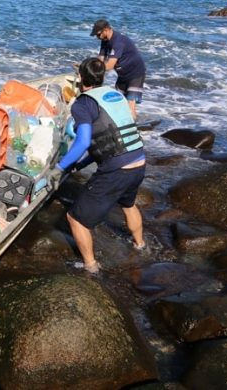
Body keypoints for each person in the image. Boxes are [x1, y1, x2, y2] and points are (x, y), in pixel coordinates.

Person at [47, 57, 146, 274]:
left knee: (75, 218)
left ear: (80, 78)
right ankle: (140, 245)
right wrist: (81, 164)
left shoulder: (83, 104)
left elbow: (83, 141)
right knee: (128, 204)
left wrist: (60, 168)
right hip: (139, 160)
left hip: (118, 169)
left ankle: (91, 267)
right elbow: (108, 140)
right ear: (102, 77)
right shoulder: (115, 95)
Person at [91, 19, 146, 120]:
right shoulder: (105, 41)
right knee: (118, 101)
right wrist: (88, 67)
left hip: (135, 73)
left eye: (98, 34)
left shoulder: (118, 42)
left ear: (106, 30)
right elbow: (100, 61)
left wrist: (93, 71)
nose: (97, 37)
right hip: (122, 74)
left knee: (130, 104)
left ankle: (133, 130)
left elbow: (109, 65)